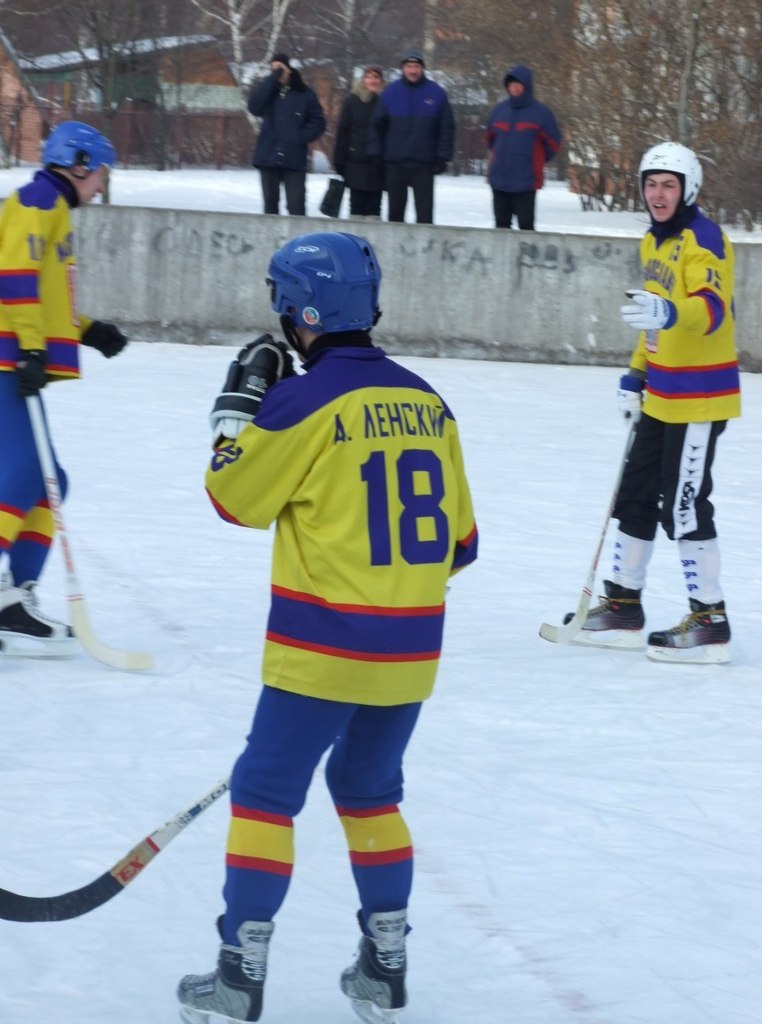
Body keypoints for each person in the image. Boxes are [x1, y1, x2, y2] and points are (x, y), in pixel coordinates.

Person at [177, 231, 478, 1024]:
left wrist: (236, 411)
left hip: (320, 650)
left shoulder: (301, 400)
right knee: (368, 790)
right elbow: (462, 545)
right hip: (410, 655)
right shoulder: (428, 402)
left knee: (266, 793)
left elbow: (232, 497)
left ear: (297, 310)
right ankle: (386, 962)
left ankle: (238, 976)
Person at [565, 142, 739, 664]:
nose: (658, 194)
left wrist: (669, 310)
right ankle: (622, 606)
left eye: (669, 184)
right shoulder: (653, 244)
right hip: (661, 394)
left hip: (699, 398)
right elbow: (652, 317)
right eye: (651, 184)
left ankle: (710, 620)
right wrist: (636, 372)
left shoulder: (704, 239)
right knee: (634, 494)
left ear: (689, 189)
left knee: (683, 505)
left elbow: (709, 309)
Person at [0, 120, 128, 656]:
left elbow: (46, 293)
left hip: (16, 359)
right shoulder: (37, 200)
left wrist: (87, 329)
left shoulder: (50, 209)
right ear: (78, 163)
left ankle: (14, 598)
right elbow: (13, 275)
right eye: (100, 175)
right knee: (32, 474)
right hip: (7, 360)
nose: (100, 187)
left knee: (54, 482)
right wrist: (30, 349)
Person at [369, 48, 454, 224]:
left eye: (416, 66)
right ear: (403, 68)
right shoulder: (391, 92)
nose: (413, 70)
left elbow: (447, 128)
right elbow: (376, 126)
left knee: (424, 216)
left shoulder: (436, 92)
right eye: (409, 66)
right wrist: (376, 153)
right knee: (395, 215)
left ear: (422, 68)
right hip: (395, 162)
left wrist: (442, 156)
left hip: (424, 163)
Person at [247, 52, 326, 216]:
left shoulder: (304, 93)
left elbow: (318, 121)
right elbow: (254, 107)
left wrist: (301, 137)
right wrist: (271, 80)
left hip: (294, 157)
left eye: (280, 68)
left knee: (296, 205)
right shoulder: (268, 91)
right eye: (273, 68)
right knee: (270, 204)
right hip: (268, 155)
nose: (277, 71)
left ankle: (298, 241)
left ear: (289, 69)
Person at [485, 64, 561, 230]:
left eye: (518, 84)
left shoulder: (541, 113)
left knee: (526, 229)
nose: (514, 88)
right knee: (501, 228)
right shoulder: (499, 110)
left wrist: (537, 161)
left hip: (525, 183)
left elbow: (553, 143)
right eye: (511, 84)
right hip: (499, 181)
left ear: (527, 86)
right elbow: (490, 139)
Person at [333, 63, 386, 218]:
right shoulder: (352, 101)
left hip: (378, 163)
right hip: (355, 161)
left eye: (375, 77)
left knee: (374, 208)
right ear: (363, 80)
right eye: (368, 77)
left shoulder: (387, 102)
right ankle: (355, 240)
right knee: (356, 206)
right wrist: (339, 160)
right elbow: (343, 131)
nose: (372, 80)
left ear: (381, 81)